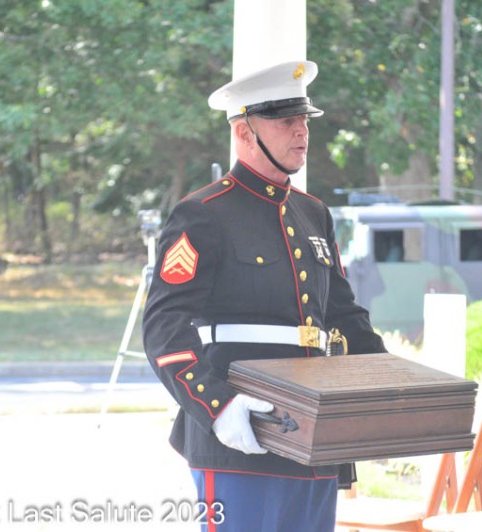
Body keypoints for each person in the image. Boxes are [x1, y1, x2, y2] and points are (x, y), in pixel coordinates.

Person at [142, 60, 385, 532]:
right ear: (244, 132)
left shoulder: (313, 213)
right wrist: (218, 407)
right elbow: (163, 329)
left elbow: (344, 317)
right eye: (285, 120)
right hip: (242, 436)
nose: (302, 131)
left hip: (315, 439)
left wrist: (389, 388)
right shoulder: (203, 213)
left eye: (304, 120)